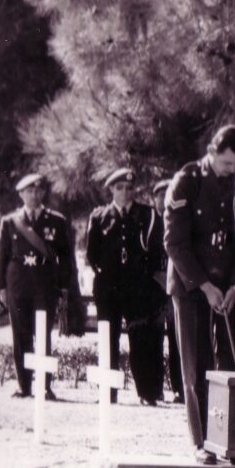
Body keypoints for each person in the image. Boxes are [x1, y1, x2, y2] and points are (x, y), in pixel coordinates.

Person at [165, 126, 235, 464]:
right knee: (195, 364)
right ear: (212, 152)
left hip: (227, 285)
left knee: (231, 359)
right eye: (227, 163)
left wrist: (233, 285)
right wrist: (205, 286)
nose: (232, 170)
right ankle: (201, 442)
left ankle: (230, 438)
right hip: (190, 286)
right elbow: (174, 243)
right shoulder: (187, 180)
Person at [86, 168, 166, 406]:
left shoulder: (147, 215)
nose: (125, 193)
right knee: (107, 337)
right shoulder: (100, 216)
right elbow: (92, 254)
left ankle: (147, 393)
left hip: (139, 288)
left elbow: (155, 250)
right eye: (119, 188)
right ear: (111, 189)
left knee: (142, 339)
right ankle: (108, 391)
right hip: (109, 288)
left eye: (129, 188)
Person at [0, 173, 72, 399]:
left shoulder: (56, 220)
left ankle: (46, 386)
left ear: (43, 193)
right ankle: (24, 385)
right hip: (18, 283)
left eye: (38, 191)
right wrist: (1, 287)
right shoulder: (10, 222)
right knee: (20, 335)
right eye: (29, 191)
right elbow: (2, 257)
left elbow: (66, 257)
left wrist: (64, 287)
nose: (34, 195)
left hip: (45, 283)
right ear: (20, 194)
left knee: (44, 334)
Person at [151, 179, 183, 404]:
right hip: (153, 288)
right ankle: (154, 390)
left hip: (176, 287)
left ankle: (178, 388)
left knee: (177, 339)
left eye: (167, 192)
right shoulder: (149, 221)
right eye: (159, 193)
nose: (163, 197)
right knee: (152, 339)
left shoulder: (181, 219)